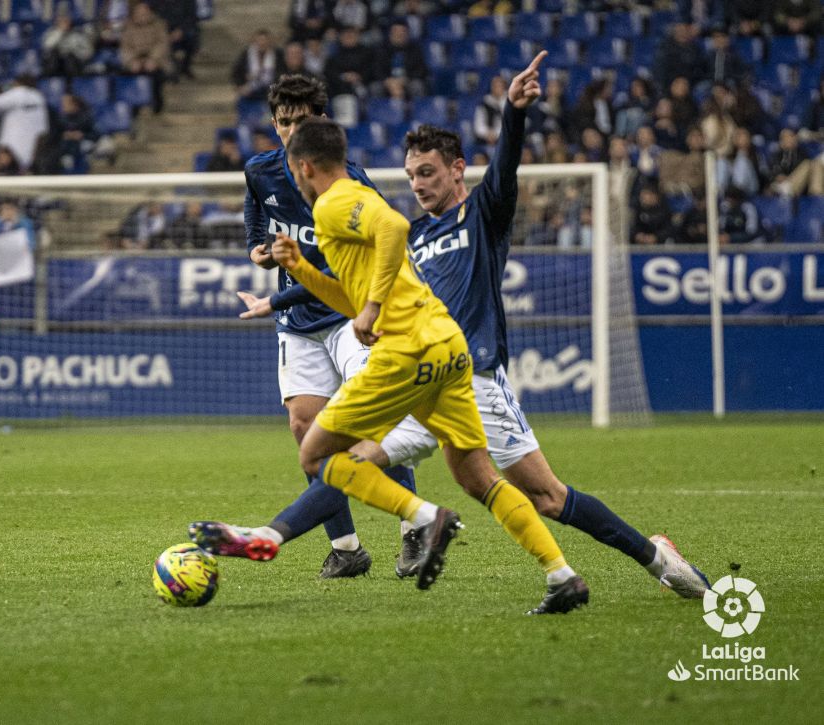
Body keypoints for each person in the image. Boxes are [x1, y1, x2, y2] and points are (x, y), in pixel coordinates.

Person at [236, 55, 710, 601]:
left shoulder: (482, 213)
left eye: (429, 173)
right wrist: (280, 295)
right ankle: (291, 536)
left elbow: (504, 166)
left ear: (459, 169)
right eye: (412, 175)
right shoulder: (411, 237)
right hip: (424, 373)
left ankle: (658, 561)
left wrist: (513, 112)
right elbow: (358, 282)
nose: (417, 184)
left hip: (475, 376)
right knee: (354, 459)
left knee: (548, 496)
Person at [193, 116, 592, 615]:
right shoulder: (341, 206)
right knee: (479, 477)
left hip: (406, 349)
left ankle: (422, 518)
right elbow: (347, 294)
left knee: (316, 453)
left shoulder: (337, 201)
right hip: (447, 347)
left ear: (303, 166)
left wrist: (374, 307)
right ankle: (561, 575)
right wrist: (299, 270)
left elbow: (394, 227)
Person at [233, 74, 426, 579]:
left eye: (300, 122)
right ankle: (346, 548)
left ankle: (415, 530)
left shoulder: (352, 185)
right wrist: (258, 248)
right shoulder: (260, 170)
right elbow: (257, 215)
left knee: (370, 426)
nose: (290, 131)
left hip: (349, 316)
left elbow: (345, 272)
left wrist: (273, 299)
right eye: (282, 122)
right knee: (306, 430)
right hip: (300, 325)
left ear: (319, 122)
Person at [120, 2, 171, 113]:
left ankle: (156, 104)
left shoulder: (159, 24)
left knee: (155, 74)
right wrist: (132, 60)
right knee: (129, 74)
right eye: (139, 13)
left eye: (144, 13)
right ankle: (134, 106)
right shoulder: (128, 26)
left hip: (155, 59)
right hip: (135, 59)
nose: (142, 15)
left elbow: (162, 44)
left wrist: (153, 59)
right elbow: (125, 47)